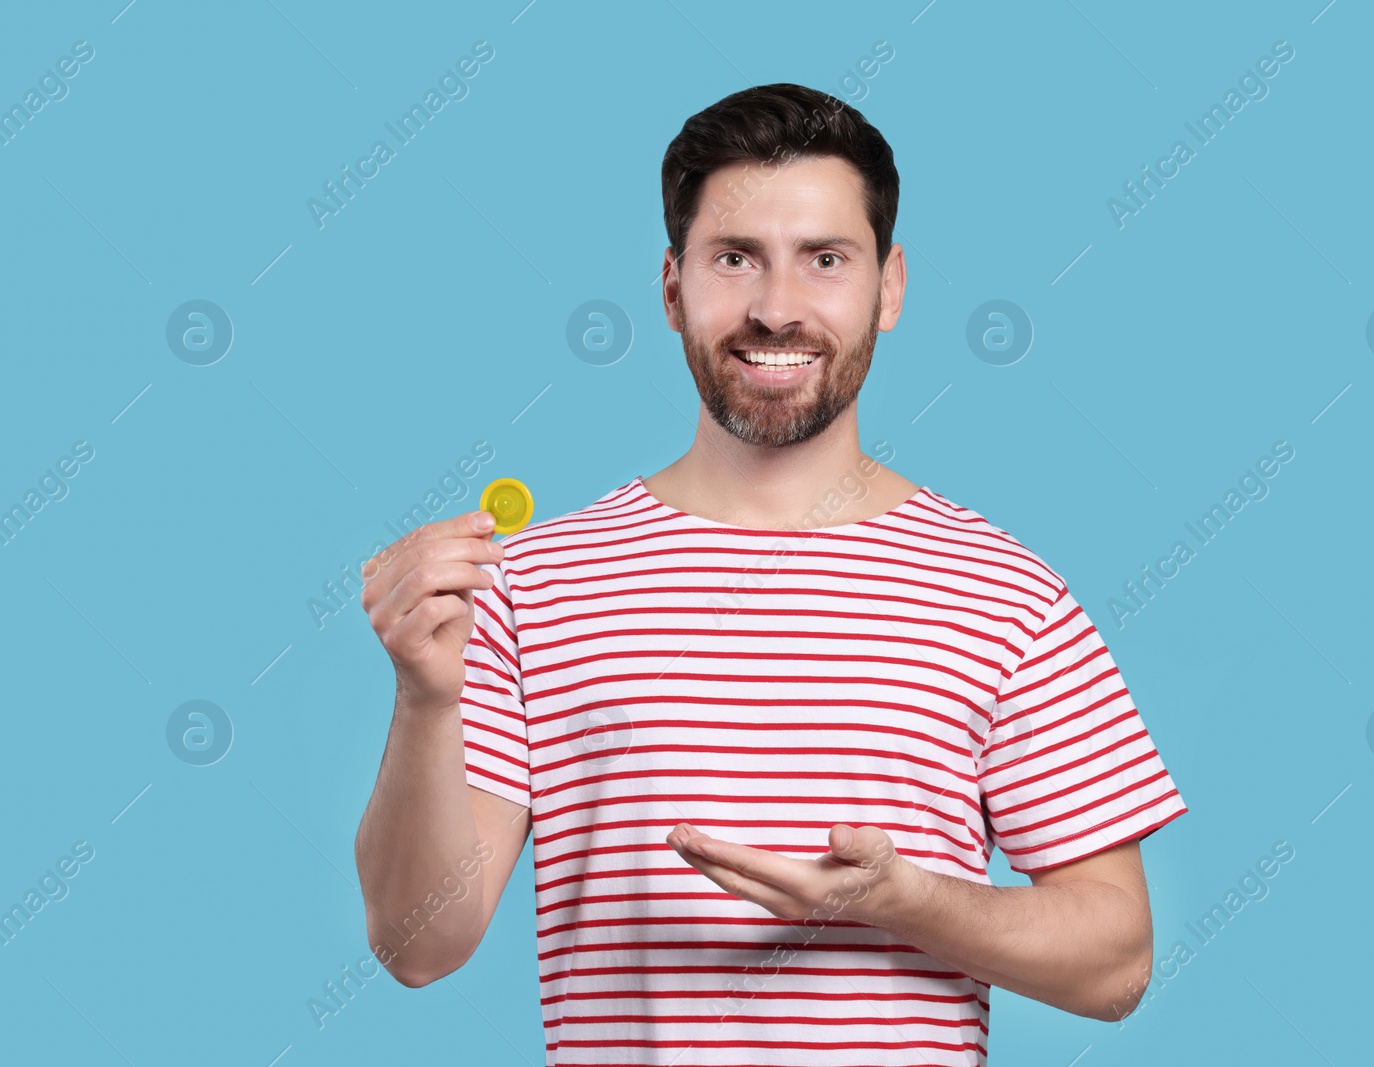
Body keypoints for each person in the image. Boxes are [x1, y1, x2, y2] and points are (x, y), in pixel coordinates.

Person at [354, 82, 1186, 1064]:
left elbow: (1116, 963)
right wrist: (422, 696)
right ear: (672, 288)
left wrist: (905, 899)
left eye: (824, 259)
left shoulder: (1004, 592)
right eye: (734, 258)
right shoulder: (538, 583)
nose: (777, 308)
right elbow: (418, 944)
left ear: (890, 285)